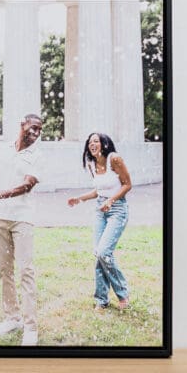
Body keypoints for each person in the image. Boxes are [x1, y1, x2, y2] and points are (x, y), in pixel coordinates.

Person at [0, 113, 44, 346]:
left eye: (39, 130)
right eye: (32, 127)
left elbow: (27, 185)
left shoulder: (37, 155)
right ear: (22, 125)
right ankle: (12, 318)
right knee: (5, 271)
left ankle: (31, 327)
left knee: (26, 271)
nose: (35, 133)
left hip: (22, 218)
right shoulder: (3, 149)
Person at [67, 132, 133, 310]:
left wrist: (111, 201)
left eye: (96, 141)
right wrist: (79, 198)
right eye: (89, 142)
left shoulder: (114, 159)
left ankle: (123, 294)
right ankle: (101, 300)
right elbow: (98, 191)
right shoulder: (92, 164)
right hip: (100, 209)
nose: (92, 144)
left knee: (104, 252)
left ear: (104, 143)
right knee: (99, 253)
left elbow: (127, 184)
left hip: (117, 209)